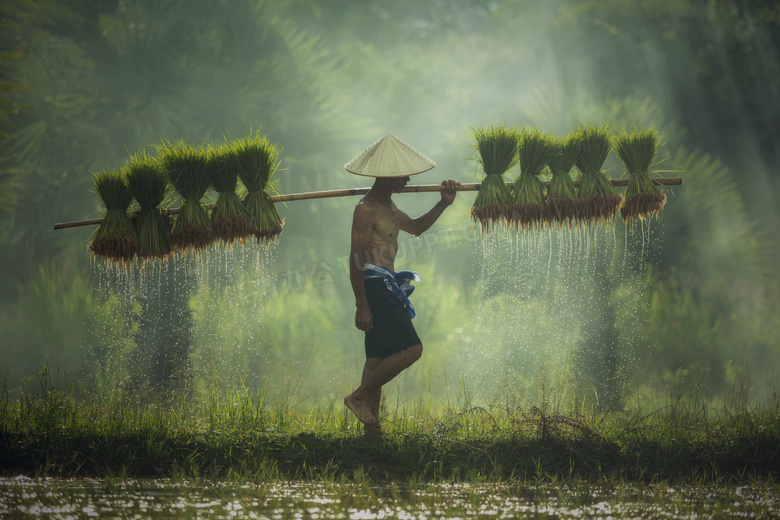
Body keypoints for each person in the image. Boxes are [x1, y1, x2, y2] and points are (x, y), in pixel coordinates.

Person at [341, 134, 460, 433]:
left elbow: (417, 228)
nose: (408, 179)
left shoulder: (390, 207)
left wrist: (443, 204)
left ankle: (372, 431)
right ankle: (359, 397)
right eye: (403, 174)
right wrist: (362, 304)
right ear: (389, 176)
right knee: (412, 349)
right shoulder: (366, 209)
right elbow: (355, 258)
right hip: (375, 285)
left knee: (377, 356)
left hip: (387, 283)